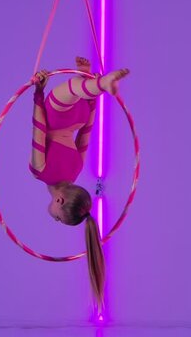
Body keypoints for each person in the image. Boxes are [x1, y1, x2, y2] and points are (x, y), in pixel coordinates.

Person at [28, 56, 129, 315]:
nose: (55, 220)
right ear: (60, 201)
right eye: (60, 219)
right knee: (63, 94)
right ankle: (97, 83)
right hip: (57, 115)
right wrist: (38, 92)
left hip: (79, 117)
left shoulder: (76, 171)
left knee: (72, 92)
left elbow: (86, 134)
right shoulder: (41, 172)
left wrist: (92, 101)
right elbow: (39, 130)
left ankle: (93, 83)